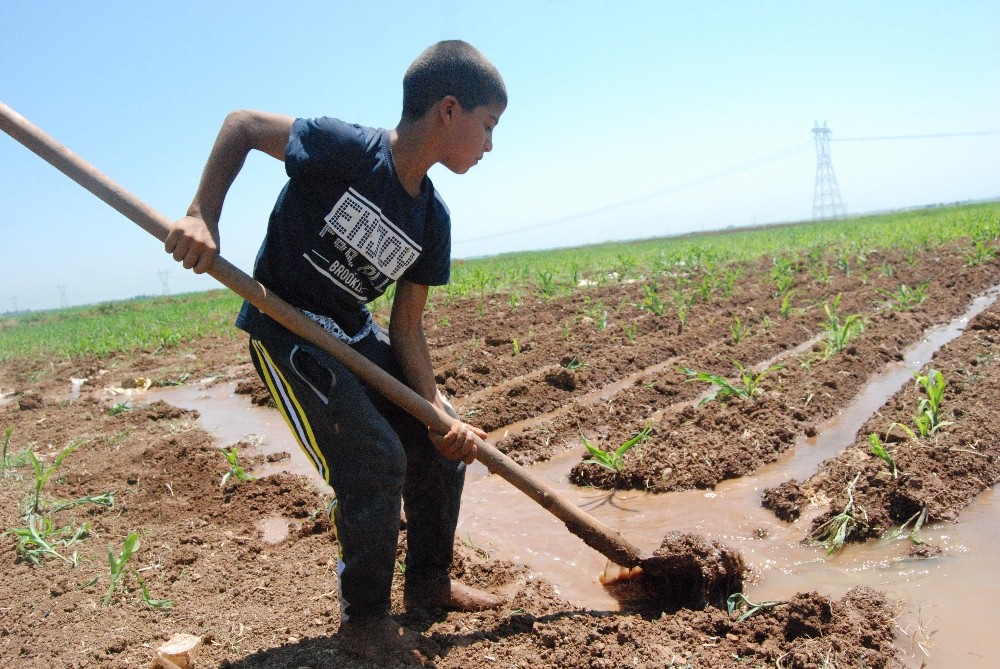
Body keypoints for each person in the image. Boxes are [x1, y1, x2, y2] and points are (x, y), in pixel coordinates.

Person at [165, 40, 507, 664]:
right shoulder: (346, 149)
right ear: (448, 111)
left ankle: (429, 585)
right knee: (374, 460)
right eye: (488, 126)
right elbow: (243, 125)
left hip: (350, 333)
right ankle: (364, 622)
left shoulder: (432, 219)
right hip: (286, 328)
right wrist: (202, 214)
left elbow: (406, 330)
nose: (490, 145)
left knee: (441, 439)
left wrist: (437, 411)